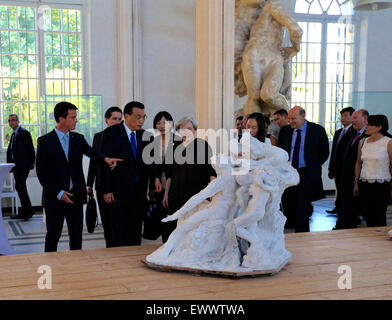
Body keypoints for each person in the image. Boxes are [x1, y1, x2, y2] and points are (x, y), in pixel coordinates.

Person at [36, 102, 121, 252]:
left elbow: (93, 152)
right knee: (53, 236)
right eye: (73, 117)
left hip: (75, 196)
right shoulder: (45, 141)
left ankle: (76, 269)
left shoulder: (78, 138)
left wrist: (106, 159)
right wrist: (59, 193)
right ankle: (50, 268)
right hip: (55, 197)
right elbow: (42, 173)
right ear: (61, 119)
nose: (76, 120)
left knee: (76, 237)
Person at [101, 101, 162, 247]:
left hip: (139, 192)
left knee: (135, 232)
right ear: (127, 116)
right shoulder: (111, 133)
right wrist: (106, 189)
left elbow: (151, 161)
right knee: (118, 231)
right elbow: (103, 164)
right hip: (117, 191)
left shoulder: (146, 136)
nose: (141, 121)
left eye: (143, 117)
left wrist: (156, 178)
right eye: (138, 117)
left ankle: (133, 263)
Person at [162, 117, 217, 242]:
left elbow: (211, 171)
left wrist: (213, 194)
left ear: (195, 130)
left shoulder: (202, 145)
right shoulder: (174, 147)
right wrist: (166, 194)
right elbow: (169, 174)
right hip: (176, 194)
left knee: (193, 230)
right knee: (173, 228)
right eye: (182, 129)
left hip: (195, 194)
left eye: (189, 129)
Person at [277, 106, 330, 232]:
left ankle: (302, 232)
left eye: (293, 118)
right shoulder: (285, 131)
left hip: (306, 172)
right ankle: (290, 227)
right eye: (289, 119)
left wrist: (313, 165)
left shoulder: (317, 130)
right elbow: (280, 151)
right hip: (288, 172)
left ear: (303, 116)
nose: (291, 121)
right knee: (288, 201)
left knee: (303, 203)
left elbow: (324, 152)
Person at [87, 106, 123, 248]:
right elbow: (94, 161)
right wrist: (89, 183)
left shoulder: (124, 137)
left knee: (118, 222)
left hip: (119, 186)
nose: (117, 122)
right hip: (102, 185)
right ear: (106, 120)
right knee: (107, 221)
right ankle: (110, 247)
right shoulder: (98, 136)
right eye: (114, 119)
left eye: (120, 119)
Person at [354, 115, 392, 227]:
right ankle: (370, 239)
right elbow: (358, 164)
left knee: (379, 215)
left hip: (381, 185)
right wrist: (356, 183)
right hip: (364, 184)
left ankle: (379, 240)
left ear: (379, 127)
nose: (366, 126)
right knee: (367, 214)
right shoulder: (362, 142)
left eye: (369, 124)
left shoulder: (388, 142)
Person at [334, 109, 369, 230]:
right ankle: (345, 224)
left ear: (365, 119)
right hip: (346, 176)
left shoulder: (368, 136)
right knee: (346, 203)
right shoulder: (353, 134)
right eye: (352, 118)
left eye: (355, 118)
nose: (352, 121)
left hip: (359, 177)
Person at [143, 111, 175, 242]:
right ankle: (164, 243)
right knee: (162, 214)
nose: (162, 125)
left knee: (173, 214)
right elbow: (152, 166)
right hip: (158, 185)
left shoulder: (177, 141)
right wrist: (153, 182)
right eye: (158, 123)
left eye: (165, 122)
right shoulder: (153, 142)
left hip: (174, 183)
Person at [6, 114, 35, 221]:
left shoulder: (24, 133)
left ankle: (27, 211)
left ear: (18, 121)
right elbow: (12, 151)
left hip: (23, 165)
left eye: (13, 120)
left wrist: (32, 161)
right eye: (9, 121)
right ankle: (28, 210)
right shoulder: (14, 134)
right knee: (20, 187)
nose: (11, 122)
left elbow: (30, 148)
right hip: (16, 166)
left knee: (20, 186)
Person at [327, 107, 355, 215]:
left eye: (345, 116)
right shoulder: (339, 132)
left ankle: (345, 210)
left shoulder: (353, 132)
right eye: (341, 116)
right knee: (338, 188)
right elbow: (334, 151)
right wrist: (331, 168)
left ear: (352, 117)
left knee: (345, 190)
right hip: (337, 167)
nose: (342, 118)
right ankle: (338, 207)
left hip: (346, 167)